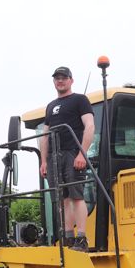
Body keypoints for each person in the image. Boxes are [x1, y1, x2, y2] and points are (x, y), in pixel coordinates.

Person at [40, 66, 95, 251]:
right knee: (62, 198)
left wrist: (82, 153)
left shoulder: (80, 100)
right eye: (57, 78)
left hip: (73, 153)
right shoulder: (50, 106)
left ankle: (81, 238)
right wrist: (43, 161)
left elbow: (90, 126)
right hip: (54, 156)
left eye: (64, 77)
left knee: (76, 196)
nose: (60, 80)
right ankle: (68, 238)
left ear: (71, 80)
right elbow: (45, 135)